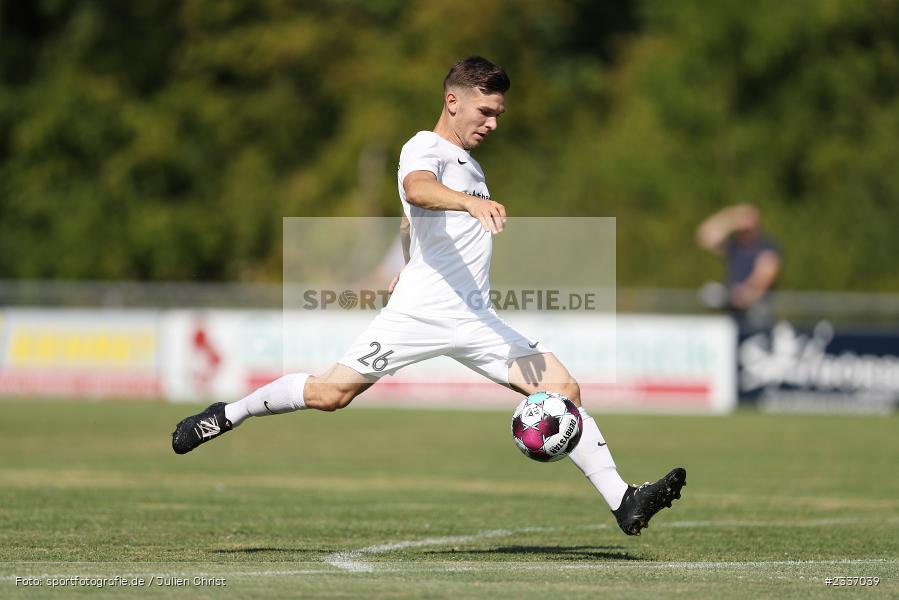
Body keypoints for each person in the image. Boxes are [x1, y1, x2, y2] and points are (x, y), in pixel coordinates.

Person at [172, 57, 685, 536]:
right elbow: (417, 189)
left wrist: (408, 259)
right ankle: (227, 413)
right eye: (486, 112)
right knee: (330, 395)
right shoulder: (425, 147)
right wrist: (464, 206)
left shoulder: (470, 166)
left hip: (475, 319)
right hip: (417, 316)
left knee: (564, 389)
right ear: (452, 100)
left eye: (499, 114)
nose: (493, 124)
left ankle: (624, 500)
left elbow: (408, 219)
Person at [696, 203, 781, 332]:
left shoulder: (766, 246)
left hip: (757, 311)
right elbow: (705, 234)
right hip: (734, 310)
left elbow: (766, 273)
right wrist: (732, 217)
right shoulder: (735, 245)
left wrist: (747, 292)